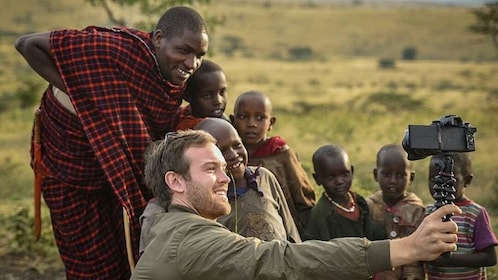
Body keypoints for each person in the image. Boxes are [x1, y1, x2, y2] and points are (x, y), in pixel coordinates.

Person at [14, 6, 208, 279]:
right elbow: (26, 44)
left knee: (124, 252)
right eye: (184, 51)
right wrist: (80, 92)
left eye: (200, 55)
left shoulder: (171, 76)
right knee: (92, 266)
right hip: (72, 171)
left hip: (112, 168)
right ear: (159, 38)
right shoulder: (113, 49)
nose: (191, 63)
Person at [131, 129, 461, 280]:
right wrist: (406, 248)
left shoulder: (177, 227)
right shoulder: (189, 240)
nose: (225, 177)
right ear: (175, 182)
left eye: (223, 167)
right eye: (210, 169)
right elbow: (282, 258)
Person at [194, 117, 301, 242]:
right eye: (221, 152)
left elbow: (290, 230)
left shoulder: (264, 178)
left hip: (282, 259)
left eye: (237, 145)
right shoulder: (209, 200)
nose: (234, 155)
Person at [230, 90, 315, 234]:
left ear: (271, 122)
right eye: (243, 117)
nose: (251, 124)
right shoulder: (230, 157)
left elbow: (303, 198)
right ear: (233, 121)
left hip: (282, 229)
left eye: (260, 118)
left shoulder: (282, 155)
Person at [425, 152, 498, 280]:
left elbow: (490, 257)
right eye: (433, 179)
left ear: (467, 180)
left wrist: (450, 260)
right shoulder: (428, 213)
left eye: (449, 180)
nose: (440, 186)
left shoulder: (474, 214)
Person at [366, 144, 426, 280]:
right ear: (376, 174)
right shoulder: (369, 206)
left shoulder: (417, 210)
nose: (393, 181)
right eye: (387, 174)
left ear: (411, 177)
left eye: (400, 175)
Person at [303, 144, 385, 241]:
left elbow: (372, 233)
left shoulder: (358, 201)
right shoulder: (321, 215)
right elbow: (316, 248)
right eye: (331, 177)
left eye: (344, 174)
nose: (339, 181)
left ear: (352, 171)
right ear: (317, 179)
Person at [174, 59, 229, 130]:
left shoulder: (220, 118)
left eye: (222, 92)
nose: (218, 101)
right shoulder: (191, 128)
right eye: (207, 96)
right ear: (187, 96)